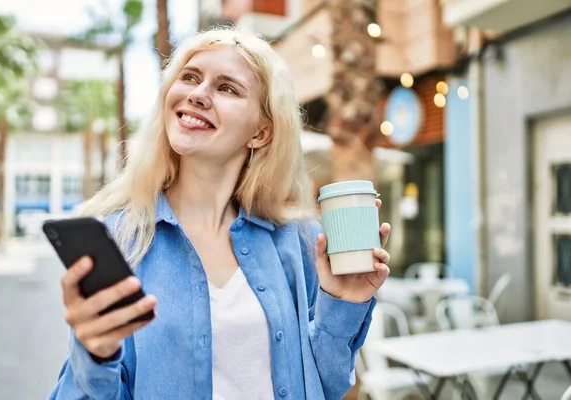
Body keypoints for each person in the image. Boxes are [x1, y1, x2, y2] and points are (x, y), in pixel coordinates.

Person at [49, 27, 391, 400]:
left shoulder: (299, 239)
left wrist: (343, 303)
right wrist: (95, 355)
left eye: (227, 88)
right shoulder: (119, 239)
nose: (197, 94)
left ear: (261, 132)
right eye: (190, 77)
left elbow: (324, 386)